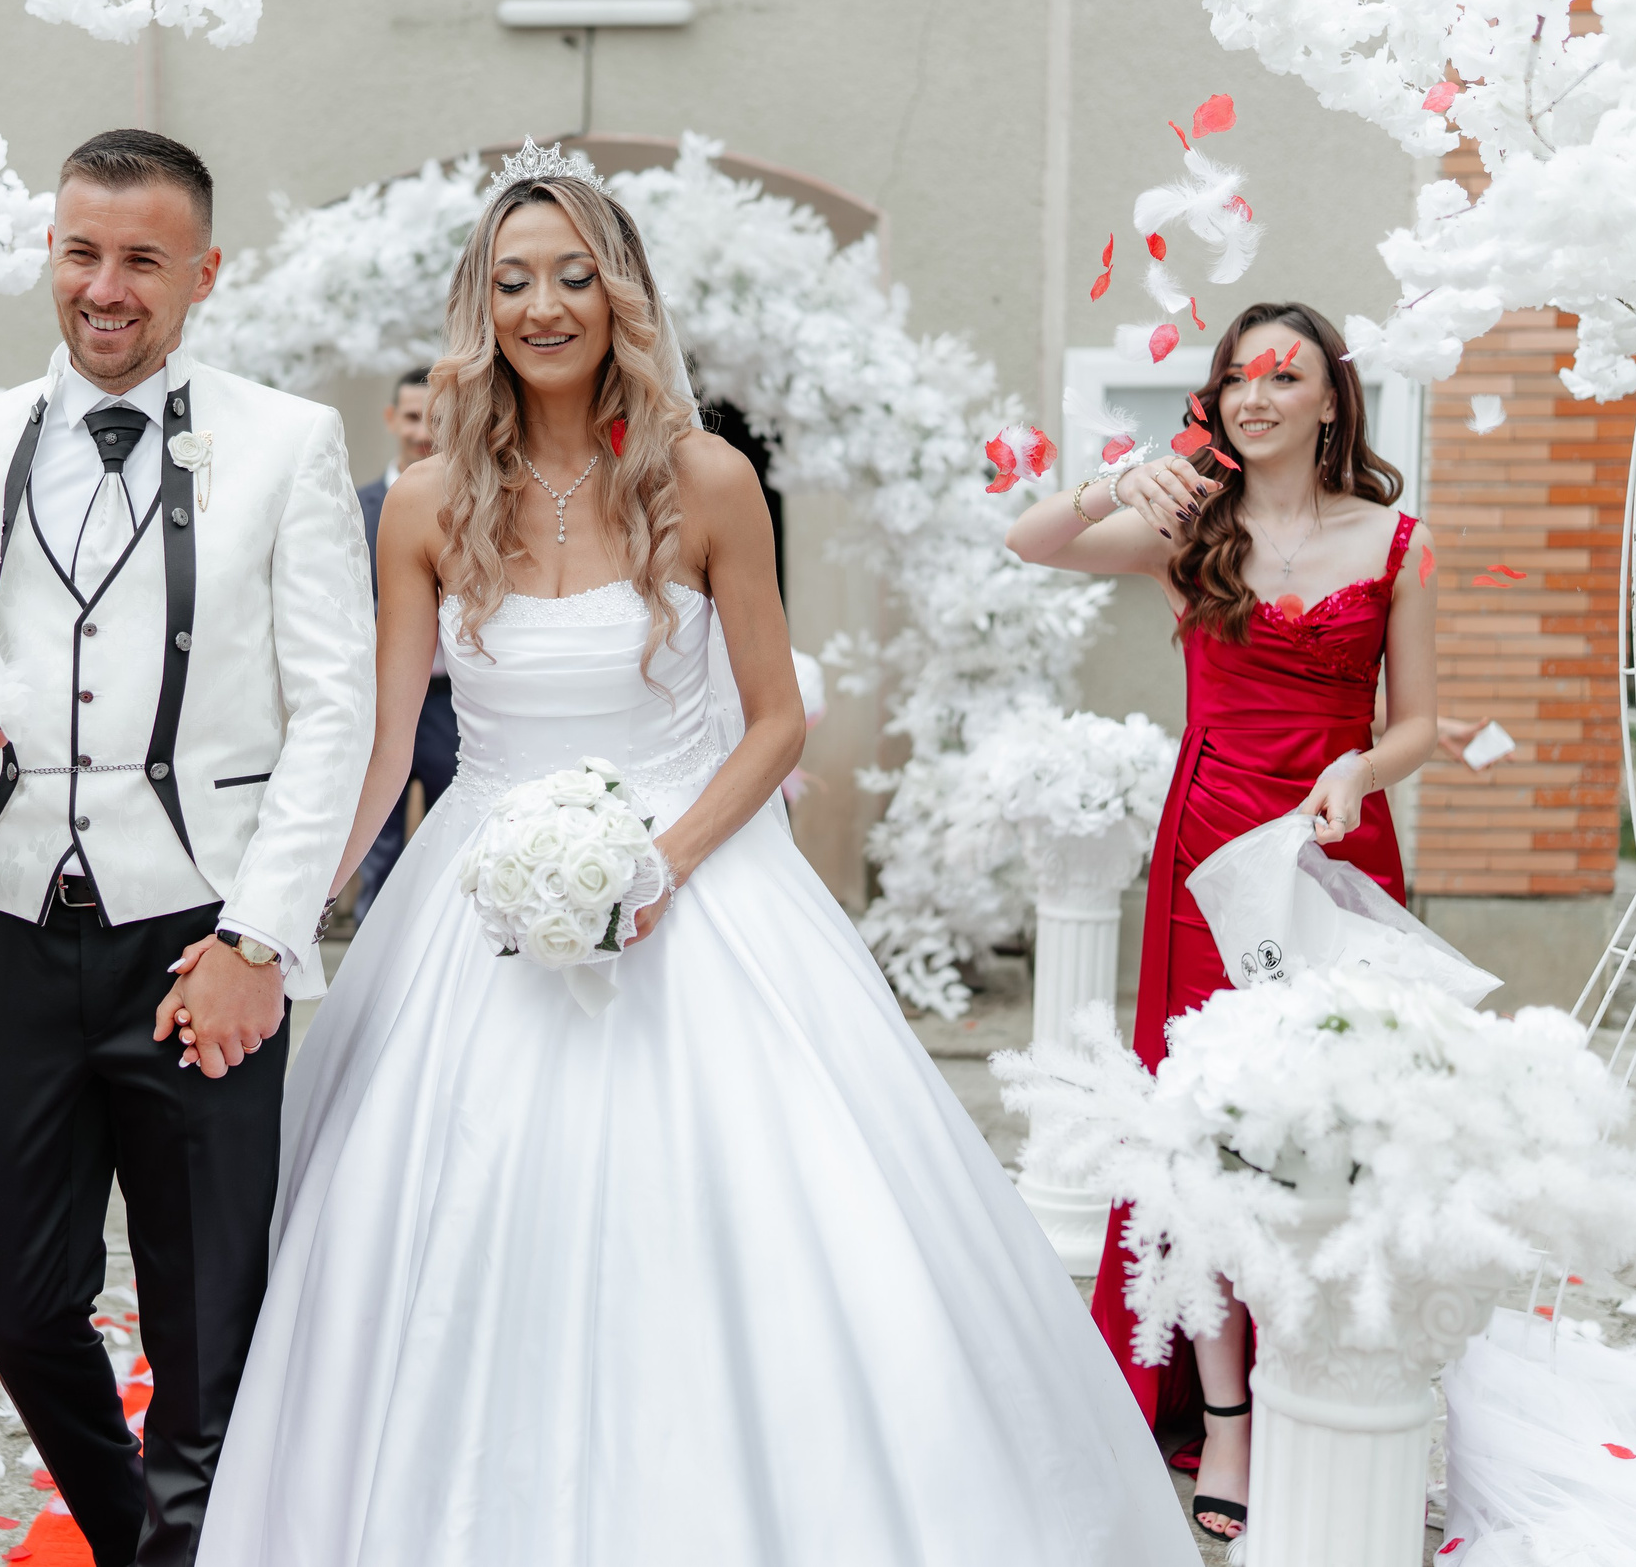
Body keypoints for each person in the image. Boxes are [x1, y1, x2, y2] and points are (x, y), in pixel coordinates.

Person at [192, 144, 1197, 1566]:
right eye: (513, 279)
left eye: (574, 275)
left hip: (699, 882)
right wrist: (270, 922)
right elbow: (378, 743)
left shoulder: (708, 478)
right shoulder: (424, 503)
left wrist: (656, 864)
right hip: (472, 909)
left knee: (752, 1224)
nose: (545, 304)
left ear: (622, 297)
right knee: (452, 1222)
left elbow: (778, 722)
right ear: (480, 306)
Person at [0, 129, 374, 1566]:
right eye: (82, 251)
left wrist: (260, 938)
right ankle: (144, 1538)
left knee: (206, 1316)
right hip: (6, 928)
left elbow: (333, 711)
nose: (106, 287)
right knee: (15, 1297)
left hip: (200, 937)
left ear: (202, 272)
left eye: (143, 259)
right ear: (54, 252)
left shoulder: (285, 441)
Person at [1007, 301, 1439, 1544]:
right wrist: (1108, 482)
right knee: (1206, 1133)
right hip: (1207, 858)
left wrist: (1363, 770)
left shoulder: (1397, 540)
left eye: (1282, 373)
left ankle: (1329, 1382)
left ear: (1327, 400)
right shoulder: (1185, 530)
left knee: (1332, 1126)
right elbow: (1028, 540)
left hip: (1337, 848)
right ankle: (1228, 1414)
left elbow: (1413, 720)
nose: (1256, 394)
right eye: (1235, 377)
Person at [351, 366, 457, 919]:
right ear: (393, 419)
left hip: (450, 702)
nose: (424, 433)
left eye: (437, 420)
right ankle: (371, 938)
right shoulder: (354, 506)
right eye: (414, 418)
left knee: (454, 839)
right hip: (380, 698)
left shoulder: (472, 502)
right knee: (378, 843)